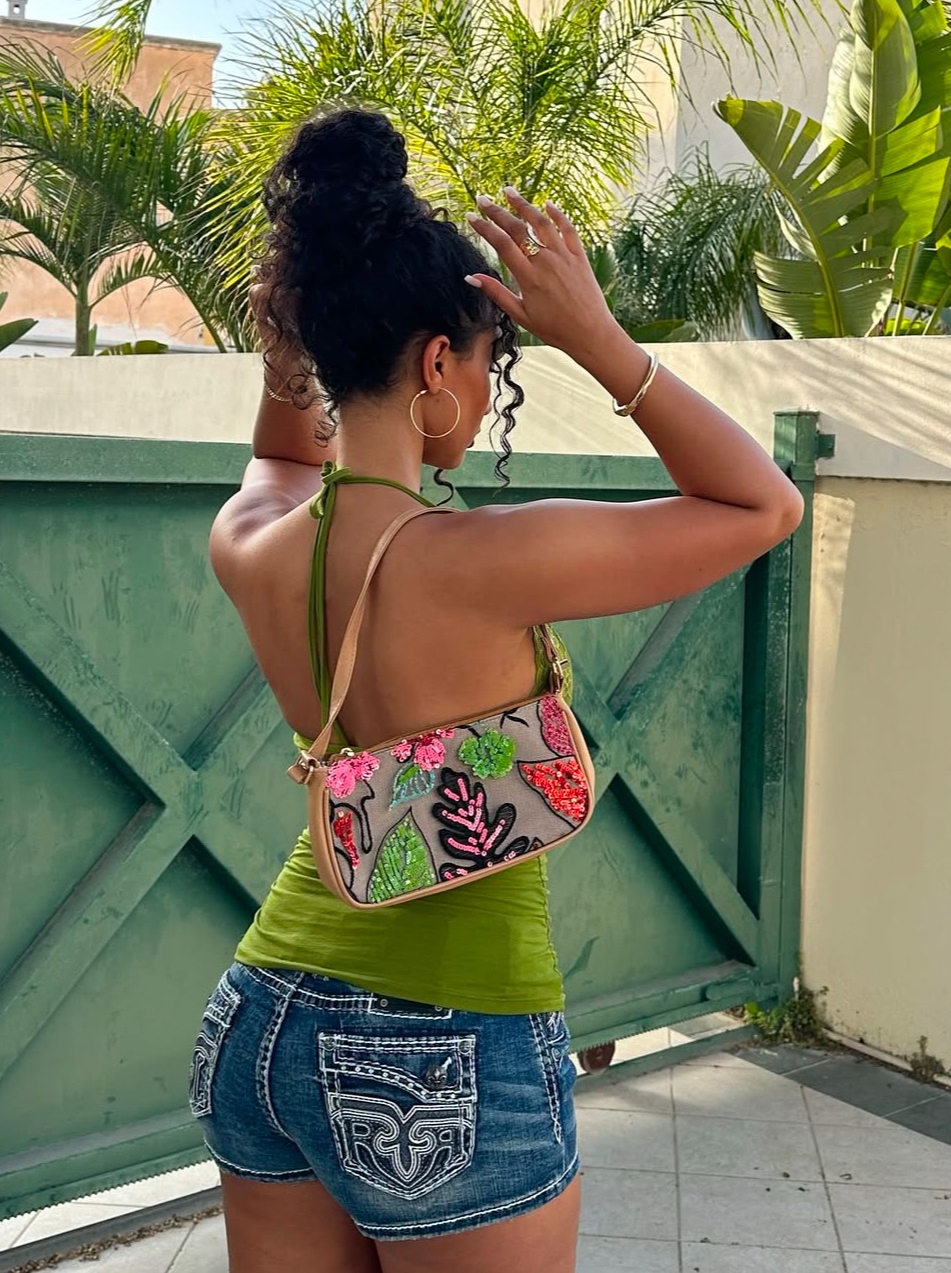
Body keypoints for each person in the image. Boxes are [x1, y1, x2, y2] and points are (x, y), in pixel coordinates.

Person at [195, 106, 804, 1273]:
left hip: (260, 1021)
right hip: (446, 1040)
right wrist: (601, 341)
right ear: (438, 364)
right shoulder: (483, 559)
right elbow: (762, 505)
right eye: (486, 365)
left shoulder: (254, 544)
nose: (483, 396)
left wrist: (296, 334)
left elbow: (278, 458)